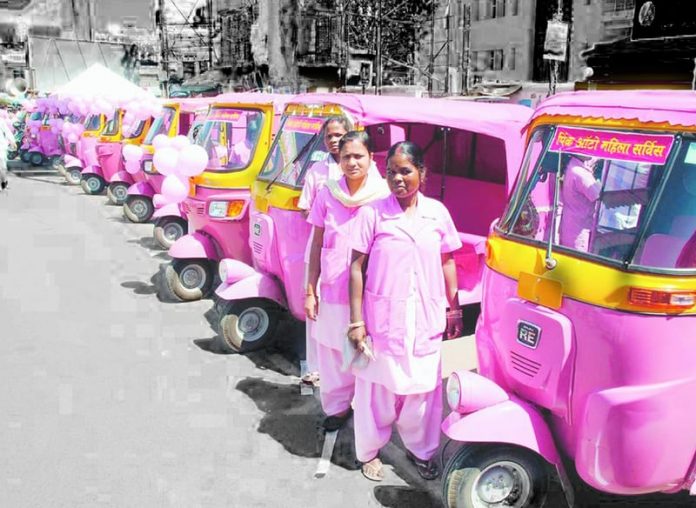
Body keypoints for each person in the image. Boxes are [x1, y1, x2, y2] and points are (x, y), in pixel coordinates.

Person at [347, 141, 462, 481]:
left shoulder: (437, 213)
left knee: (423, 390)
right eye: (391, 172)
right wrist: (356, 321)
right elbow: (356, 267)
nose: (398, 178)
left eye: (406, 171)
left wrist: (453, 309)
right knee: (376, 390)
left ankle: (422, 452)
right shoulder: (372, 213)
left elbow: (447, 260)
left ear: (422, 174)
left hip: (425, 316)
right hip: (382, 319)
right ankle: (368, 451)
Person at [305, 131, 389, 431]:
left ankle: (369, 415)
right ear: (338, 160)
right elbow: (316, 243)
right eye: (346, 157)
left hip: (369, 293)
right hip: (331, 288)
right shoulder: (328, 192)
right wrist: (311, 291)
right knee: (331, 352)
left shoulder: (384, 196)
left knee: (367, 354)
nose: (352, 162)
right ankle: (338, 408)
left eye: (358, 156)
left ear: (371, 159)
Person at [298, 116, 352, 387]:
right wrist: (327, 214)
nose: (334, 140)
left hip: (351, 250)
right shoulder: (316, 171)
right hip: (320, 246)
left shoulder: (358, 167)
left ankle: (347, 368)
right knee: (315, 306)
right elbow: (306, 207)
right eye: (329, 135)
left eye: (339, 134)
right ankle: (316, 367)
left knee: (347, 309)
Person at [559, 154, 602, 251]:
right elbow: (599, 196)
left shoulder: (573, 165)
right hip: (579, 229)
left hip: (571, 224)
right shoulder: (580, 174)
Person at [0, 109, 17, 190]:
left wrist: (12, 141)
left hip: (1, 146)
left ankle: (4, 181)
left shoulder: (1, 121)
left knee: (2, 166)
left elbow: (7, 131)